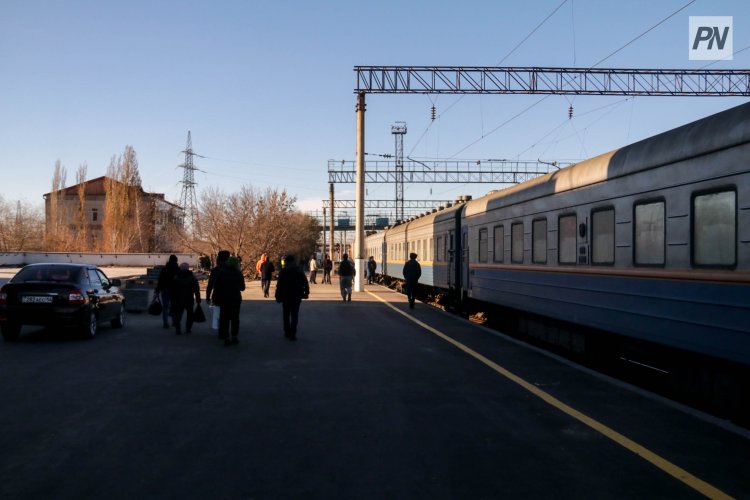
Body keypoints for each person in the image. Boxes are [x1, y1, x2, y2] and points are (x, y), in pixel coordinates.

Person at [207, 251, 246, 345]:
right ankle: (234, 336)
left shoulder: (219, 272)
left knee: (224, 318)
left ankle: (225, 336)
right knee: (235, 318)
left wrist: (209, 297)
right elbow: (242, 288)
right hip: (235, 299)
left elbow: (213, 285)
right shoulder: (238, 273)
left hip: (223, 299)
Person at [275, 255, 309, 341]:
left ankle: (287, 332)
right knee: (294, 315)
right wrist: (306, 292)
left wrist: (277, 296)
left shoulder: (283, 271)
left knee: (286, 314)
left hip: (285, 295)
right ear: (294, 261)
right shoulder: (298, 270)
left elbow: (279, 285)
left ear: (286, 261)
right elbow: (305, 282)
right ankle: (293, 333)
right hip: (296, 295)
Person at [170, 262, 201, 335]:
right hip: (189, 299)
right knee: (190, 314)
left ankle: (178, 327)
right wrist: (198, 299)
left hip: (178, 299)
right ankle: (188, 328)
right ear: (188, 268)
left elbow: (172, 289)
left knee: (178, 314)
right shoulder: (192, 277)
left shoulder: (176, 277)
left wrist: (172, 298)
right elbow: (196, 289)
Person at [154, 255, 179, 329]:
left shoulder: (164, 269)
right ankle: (174, 321)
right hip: (174, 290)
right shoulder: (177, 269)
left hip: (164, 289)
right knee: (174, 306)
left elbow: (160, 280)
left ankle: (165, 323)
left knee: (165, 306)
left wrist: (157, 290)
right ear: (176, 261)